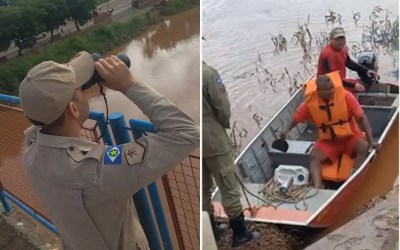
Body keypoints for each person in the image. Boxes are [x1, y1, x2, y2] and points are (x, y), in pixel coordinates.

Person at [19, 51, 200, 250]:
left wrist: (66, 74)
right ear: (74, 109)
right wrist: (129, 85)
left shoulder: (31, 148)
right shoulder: (100, 169)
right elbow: (187, 133)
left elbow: (43, 113)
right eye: (81, 89)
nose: (86, 90)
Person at [281, 72, 380, 189]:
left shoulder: (346, 97)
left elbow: (362, 119)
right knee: (314, 156)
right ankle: (318, 187)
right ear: (319, 91)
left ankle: (356, 179)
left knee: (363, 146)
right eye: (327, 90)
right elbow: (296, 119)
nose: (331, 91)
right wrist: (286, 131)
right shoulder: (310, 103)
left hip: (350, 138)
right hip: (329, 142)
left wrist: (372, 141)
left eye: (332, 88)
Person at [202, 61, 258, 247]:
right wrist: (222, 126)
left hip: (192, 139)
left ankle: (211, 230)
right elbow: (223, 107)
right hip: (212, 138)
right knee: (228, 184)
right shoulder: (208, 73)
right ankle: (240, 233)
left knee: (202, 189)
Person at [317, 27, 378, 93]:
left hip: (340, 81)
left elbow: (349, 63)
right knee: (362, 87)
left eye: (342, 38)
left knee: (368, 82)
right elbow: (331, 79)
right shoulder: (327, 55)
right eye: (337, 39)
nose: (340, 41)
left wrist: (366, 70)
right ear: (331, 39)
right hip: (329, 86)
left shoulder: (342, 49)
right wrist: (353, 85)